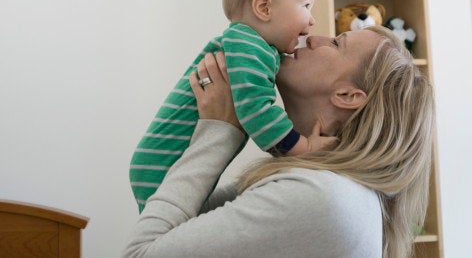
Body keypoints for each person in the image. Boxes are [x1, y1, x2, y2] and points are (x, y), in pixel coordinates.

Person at [124, 26, 435, 258]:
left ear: (348, 96)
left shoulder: (319, 197)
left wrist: (221, 129)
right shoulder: (320, 187)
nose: (314, 37)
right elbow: (166, 215)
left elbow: (139, 253)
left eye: (337, 43)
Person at [129, 0, 337, 213]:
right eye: (306, 6)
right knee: (171, 237)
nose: (312, 19)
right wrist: (302, 147)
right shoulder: (250, 45)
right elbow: (256, 109)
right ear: (264, 7)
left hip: (161, 161)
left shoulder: (250, 46)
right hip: (162, 164)